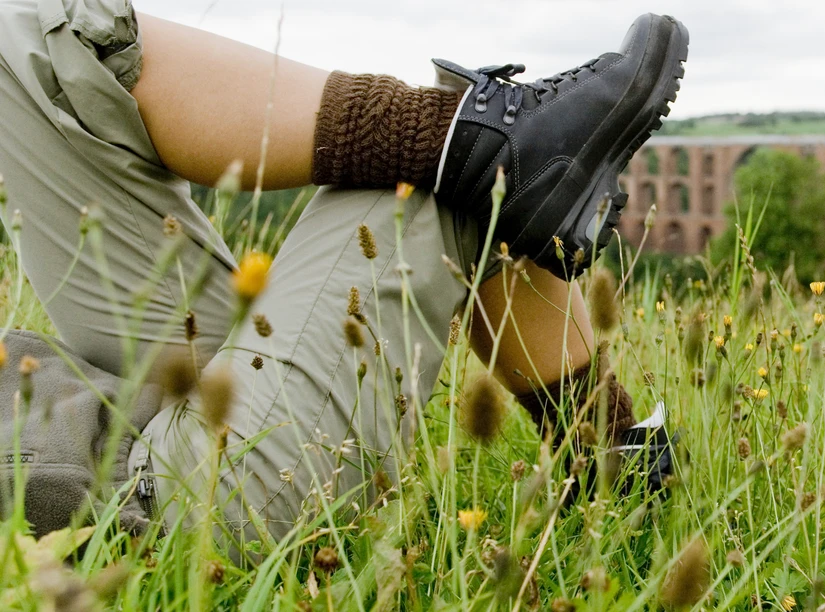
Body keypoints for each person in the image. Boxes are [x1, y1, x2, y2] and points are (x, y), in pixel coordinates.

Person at [0, 0, 686, 550]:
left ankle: (478, 136)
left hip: (128, 402)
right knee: (433, 178)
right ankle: (479, 140)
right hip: (175, 493)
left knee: (24, 37)